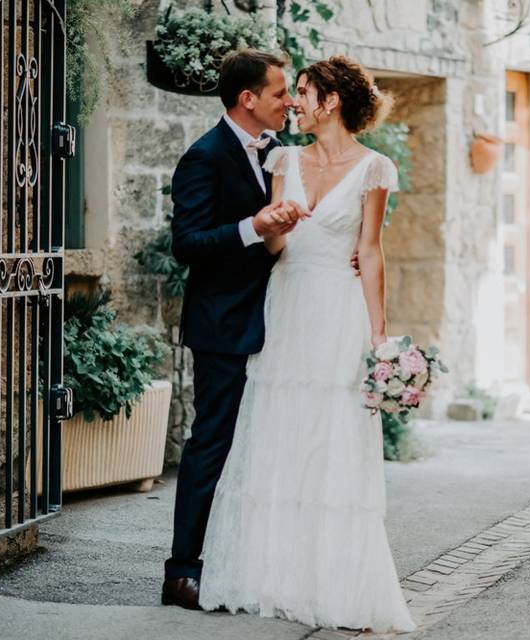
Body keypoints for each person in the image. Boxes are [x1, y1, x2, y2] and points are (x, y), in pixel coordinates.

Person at [198, 56, 416, 633]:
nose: (294, 101)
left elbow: (369, 251)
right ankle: (271, 576)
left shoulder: (375, 169)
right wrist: (278, 229)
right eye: (289, 91)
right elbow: (271, 247)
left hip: (338, 310)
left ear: (332, 100)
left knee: (333, 435)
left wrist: (379, 335)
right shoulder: (283, 159)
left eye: (303, 91)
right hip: (287, 304)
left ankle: (333, 580)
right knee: (278, 429)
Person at [162, 49, 311, 610]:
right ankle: (182, 572)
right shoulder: (202, 157)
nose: (290, 102)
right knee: (213, 444)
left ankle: (248, 562)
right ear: (248, 99)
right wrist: (252, 227)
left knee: (267, 442)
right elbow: (187, 244)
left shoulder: (282, 154)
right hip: (223, 325)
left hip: (281, 319)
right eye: (280, 94)